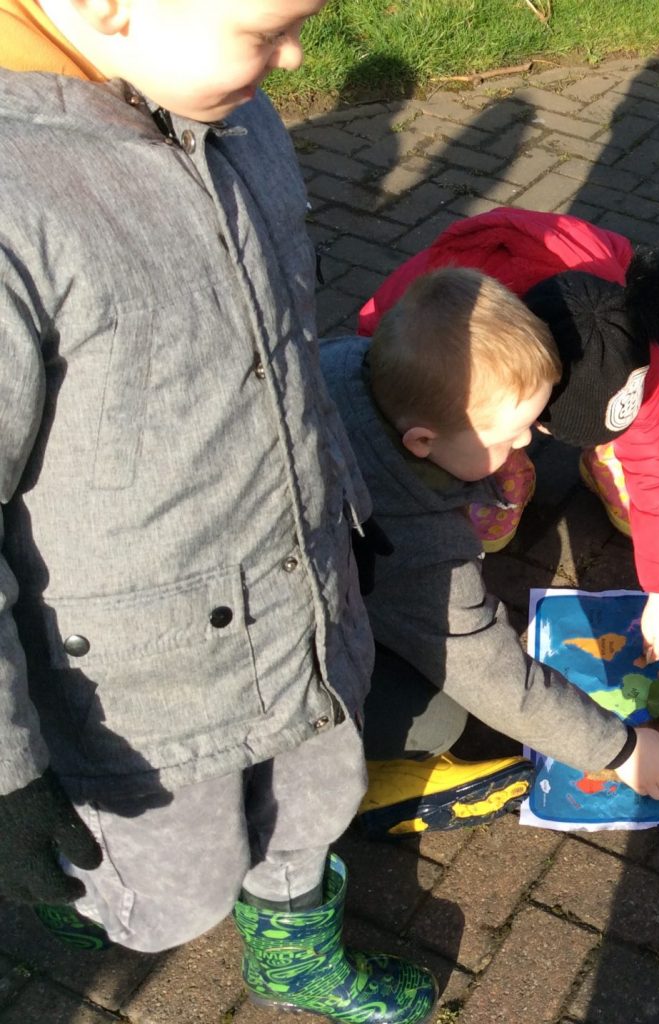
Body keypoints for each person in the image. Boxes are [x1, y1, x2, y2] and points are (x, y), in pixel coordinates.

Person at [0, 1, 434, 1019]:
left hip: (301, 592)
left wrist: (345, 501)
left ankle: (292, 953)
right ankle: (85, 903)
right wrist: (6, 770)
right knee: (171, 889)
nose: (296, 55)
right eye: (267, 30)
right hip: (143, 688)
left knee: (317, 798)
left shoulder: (240, 118)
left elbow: (285, 345)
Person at [320, 267, 659, 835]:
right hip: (256, 677)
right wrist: (620, 750)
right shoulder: (420, 541)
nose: (525, 442)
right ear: (422, 440)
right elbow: (483, 667)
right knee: (435, 719)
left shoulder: (340, 362)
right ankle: (333, 785)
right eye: (508, 436)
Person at [357, 207, 659, 679]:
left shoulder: (629, 344)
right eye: (528, 428)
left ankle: (603, 453)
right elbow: (375, 364)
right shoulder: (421, 327)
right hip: (473, 363)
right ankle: (506, 471)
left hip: (594, 307)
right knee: (479, 433)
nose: (526, 436)